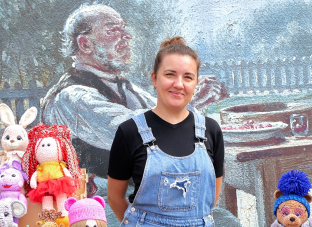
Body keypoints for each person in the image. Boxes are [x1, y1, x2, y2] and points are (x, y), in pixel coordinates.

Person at [42, 4, 226, 177]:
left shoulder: (122, 85)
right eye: (112, 31)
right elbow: (131, 131)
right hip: (97, 197)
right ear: (85, 44)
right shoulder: (71, 96)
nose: (127, 36)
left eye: (124, 29)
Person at [107, 37, 224, 227]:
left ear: (196, 83)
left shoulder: (211, 131)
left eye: (188, 77)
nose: (178, 84)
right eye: (170, 74)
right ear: (154, 78)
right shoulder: (129, 132)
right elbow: (115, 197)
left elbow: (211, 198)